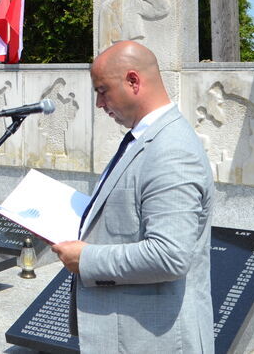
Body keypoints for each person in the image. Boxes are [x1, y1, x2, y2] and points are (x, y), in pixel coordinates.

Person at [52, 40, 214, 353]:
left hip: (155, 340)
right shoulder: (144, 138)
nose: (99, 104)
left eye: (102, 90)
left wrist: (85, 258)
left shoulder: (171, 149)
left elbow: (169, 255)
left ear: (133, 81)